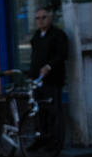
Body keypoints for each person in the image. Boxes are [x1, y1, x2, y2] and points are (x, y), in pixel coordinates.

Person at [29, 7, 68, 142]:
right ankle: (40, 139)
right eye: (38, 18)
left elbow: (62, 54)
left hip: (52, 80)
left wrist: (49, 66)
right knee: (38, 112)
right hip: (37, 80)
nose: (41, 20)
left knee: (53, 112)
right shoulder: (36, 36)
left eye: (44, 17)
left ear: (50, 18)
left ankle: (54, 141)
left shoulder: (58, 35)